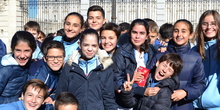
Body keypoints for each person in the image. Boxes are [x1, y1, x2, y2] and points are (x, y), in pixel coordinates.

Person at [148, 19, 206, 110]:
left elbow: (200, 84)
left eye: (183, 31)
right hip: (156, 104)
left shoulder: (196, 58)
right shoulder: (160, 54)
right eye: (176, 31)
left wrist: (186, 92)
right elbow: (147, 76)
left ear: (191, 35)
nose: (179, 34)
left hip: (183, 106)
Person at [55, 29, 117, 110]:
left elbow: (109, 98)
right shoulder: (69, 67)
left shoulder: (105, 68)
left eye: (94, 45)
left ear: (98, 45)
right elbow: (61, 95)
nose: (90, 49)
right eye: (86, 45)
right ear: (80, 44)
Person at [113, 19, 156, 109]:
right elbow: (116, 80)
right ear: (129, 34)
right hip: (125, 103)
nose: (137, 36)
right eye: (134, 32)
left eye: (141, 33)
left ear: (147, 36)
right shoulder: (121, 52)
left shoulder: (152, 51)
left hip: (145, 102)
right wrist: (140, 89)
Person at [193, 10, 220, 110]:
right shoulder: (194, 51)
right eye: (205, 24)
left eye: (214, 24)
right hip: (195, 105)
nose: (209, 27)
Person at [0, 31, 36, 104]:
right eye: (18, 50)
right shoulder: (6, 69)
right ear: (12, 49)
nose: (22, 56)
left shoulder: (30, 64)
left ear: (33, 50)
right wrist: (18, 100)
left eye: (27, 51)